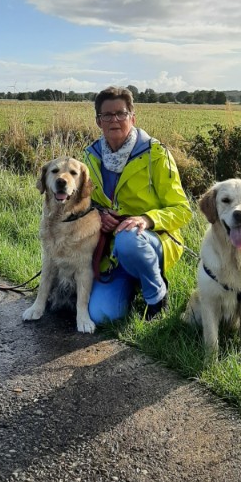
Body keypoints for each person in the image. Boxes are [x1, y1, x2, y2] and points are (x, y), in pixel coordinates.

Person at [84, 86, 192, 323]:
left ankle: (156, 297)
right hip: (112, 251)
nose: (114, 120)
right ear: (98, 121)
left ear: (132, 118)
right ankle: (134, 284)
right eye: (107, 115)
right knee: (102, 315)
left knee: (129, 237)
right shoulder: (90, 156)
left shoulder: (157, 154)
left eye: (121, 113)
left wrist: (147, 219)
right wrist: (99, 213)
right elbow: (84, 201)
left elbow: (183, 210)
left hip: (151, 241)